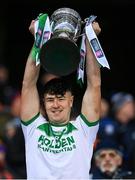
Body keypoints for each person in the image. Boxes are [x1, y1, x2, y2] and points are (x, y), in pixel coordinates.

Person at [20, 13, 101, 179]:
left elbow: (94, 84)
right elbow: (28, 85)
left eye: (61, 99)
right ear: (43, 102)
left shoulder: (84, 129)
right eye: (50, 100)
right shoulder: (32, 128)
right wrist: (38, 40)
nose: (55, 105)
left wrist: (90, 41)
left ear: (71, 101)